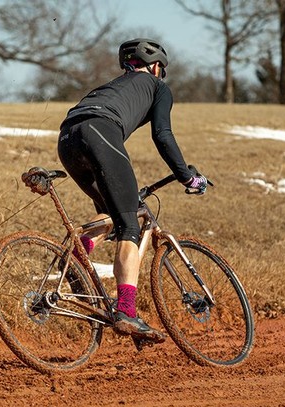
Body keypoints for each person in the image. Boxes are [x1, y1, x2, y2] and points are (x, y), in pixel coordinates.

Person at [57, 38, 208, 343]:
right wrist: (187, 177)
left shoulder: (111, 86)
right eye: (161, 70)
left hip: (67, 138)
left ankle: (74, 254)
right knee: (129, 227)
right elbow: (162, 135)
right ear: (155, 66)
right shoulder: (157, 87)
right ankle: (126, 311)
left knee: (111, 212)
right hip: (100, 133)